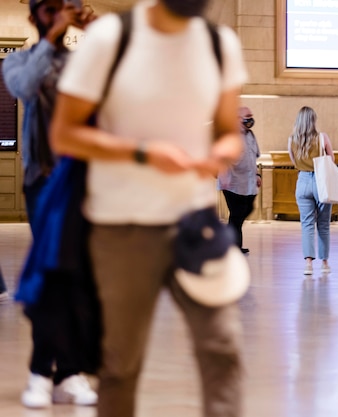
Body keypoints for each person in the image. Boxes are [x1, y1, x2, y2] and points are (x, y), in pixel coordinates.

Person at [49, 0, 248, 415]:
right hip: (123, 227)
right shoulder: (111, 38)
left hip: (194, 223)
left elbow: (231, 132)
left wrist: (218, 154)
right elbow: (65, 134)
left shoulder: (218, 44)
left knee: (223, 348)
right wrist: (142, 153)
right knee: (120, 364)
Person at [2, 0, 98, 408]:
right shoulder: (19, 60)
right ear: (34, 16)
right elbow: (24, 88)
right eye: (48, 9)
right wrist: (53, 39)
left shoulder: (84, 60)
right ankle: (46, 372)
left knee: (81, 279)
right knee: (54, 273)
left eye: (63, 8)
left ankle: (68, 372)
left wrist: (96, 37)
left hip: (89, 181)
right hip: (45, 181)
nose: (56, 15)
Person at [288, 106, 334, 276]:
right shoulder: (322, 138)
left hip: (303, 181)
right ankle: (324, 263)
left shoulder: (292, 140)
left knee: (306, 224)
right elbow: (331, 160)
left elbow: (294, 162)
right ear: (313, 121)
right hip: (321, 182)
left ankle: (308, 264)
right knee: (323, 224)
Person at [218, 106, 261, 254]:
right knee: (236, 215)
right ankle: (233, 247)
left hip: (248, 183)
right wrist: (223, 177)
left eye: (251, 115)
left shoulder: (250, 135)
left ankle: (231, 244)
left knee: (246, 210)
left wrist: (258, 175)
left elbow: (253, 158)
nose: (250, 118)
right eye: (247, 116)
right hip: (232, 183)